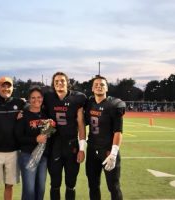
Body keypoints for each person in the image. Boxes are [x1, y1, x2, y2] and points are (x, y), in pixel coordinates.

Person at [43, 72, 87, 200]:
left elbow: (81, 124)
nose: (59, 83)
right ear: (53, 84)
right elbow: (34, 105)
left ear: (68, 82)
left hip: (71, 144)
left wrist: (82, 148)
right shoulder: (48, 97)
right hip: (54, 145)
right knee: (55, 183)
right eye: (56, 81)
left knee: (71, 183)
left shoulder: (78, 98)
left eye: (62, 80)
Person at [0, 76, 25, 200]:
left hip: (13, 151)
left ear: (12, 88)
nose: (6, 88)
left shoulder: (20, 103)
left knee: (9, 185)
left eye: (9, 86)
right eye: (3, 86)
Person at [84, 75, 126, 200]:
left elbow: (118, 132)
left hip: (107, 151)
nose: (99, 86)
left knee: (113, 186)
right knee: (93, 185)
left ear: (107, 88)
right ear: (92, 88)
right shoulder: (89, 103)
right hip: (92, 149)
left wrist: (113, 154)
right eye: (96, 84)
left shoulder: (114, 104)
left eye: (102, 84)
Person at [15, 86, 53, 200]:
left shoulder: (46, 114)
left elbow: (48, 135)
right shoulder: (23, 115)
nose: (36, 100)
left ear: (42, 98)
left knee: (40, 190)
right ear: (29, 99)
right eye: (33, 98)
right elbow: (18, 137)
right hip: (28, 156)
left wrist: (50, 129)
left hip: (43, 157)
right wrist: (35, 139)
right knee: (29, 190)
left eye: (39, 97)